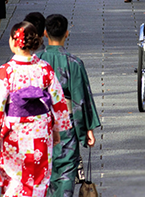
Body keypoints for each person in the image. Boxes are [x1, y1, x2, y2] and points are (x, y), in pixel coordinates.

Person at [0, 22, 72, 197]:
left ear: (14, 41)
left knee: (14, 180)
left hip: (15, 134)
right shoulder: (45, 69)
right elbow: (58, 102)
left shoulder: (6, 71)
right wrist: (56, 129)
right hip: (41, 131)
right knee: (39, 179)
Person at [38, 14, 101, 197]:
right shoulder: (74, 63)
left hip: (38, 125)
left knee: (43, 174)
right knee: (66, 172)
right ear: (67, 33)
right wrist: (87, 129)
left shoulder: (37, 62)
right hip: (66, 125)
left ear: (44, 33)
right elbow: (81, 99)